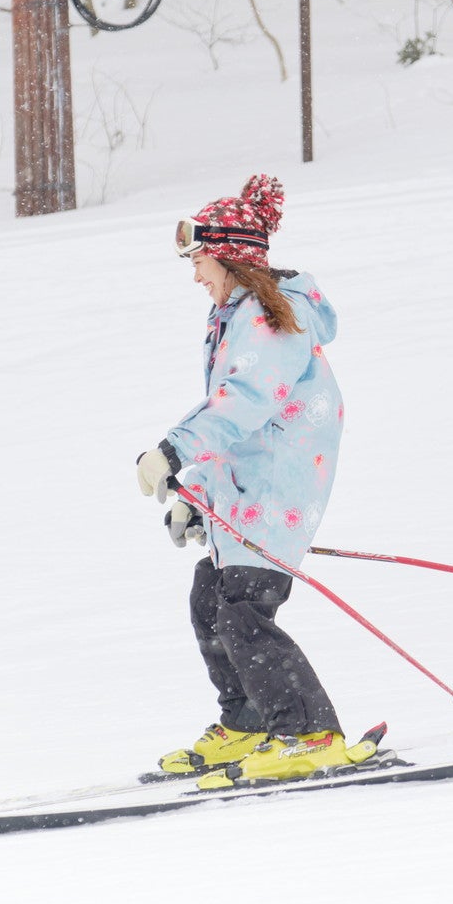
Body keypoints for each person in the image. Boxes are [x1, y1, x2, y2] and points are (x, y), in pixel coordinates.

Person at [136, 174, 371, 788]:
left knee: (244, 613)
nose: (196, 277)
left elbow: (241, 404)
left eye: (202, 262)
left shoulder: (269, 320)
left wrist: (173, 449)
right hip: (244, 494)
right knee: (210, 600)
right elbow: (236, 422)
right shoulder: (237, 317)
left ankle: (309, 734)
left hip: (277, 494)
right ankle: (244, 723)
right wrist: (200, 502)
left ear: (233, 258)